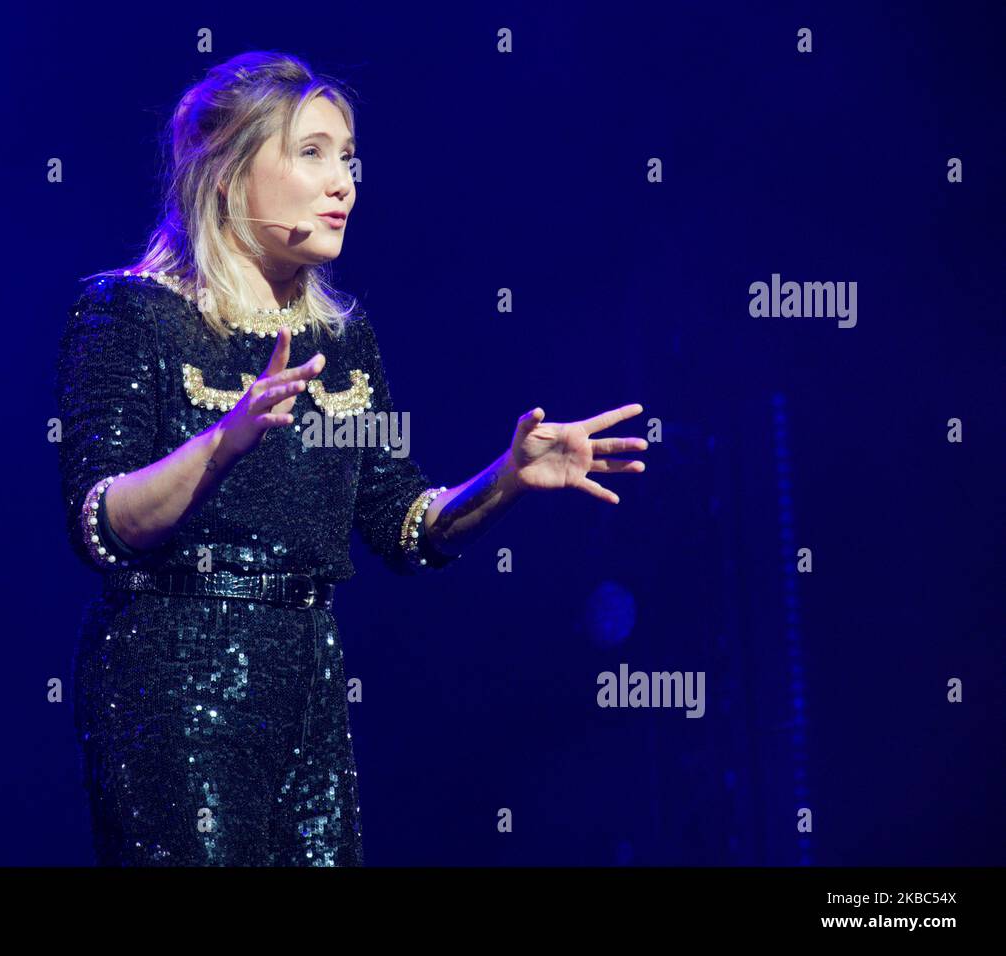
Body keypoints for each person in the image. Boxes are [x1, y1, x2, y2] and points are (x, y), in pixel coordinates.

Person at [55, 51, 648, 866]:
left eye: (348, 157)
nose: (344, 182)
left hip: (308, 686)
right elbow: (102, 523)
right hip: (173, 680)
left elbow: (403, 526)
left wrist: (506, 481)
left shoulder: (344, 340)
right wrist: (221, 444)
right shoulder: (129, 315)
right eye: (312, 153)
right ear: (226, 173)